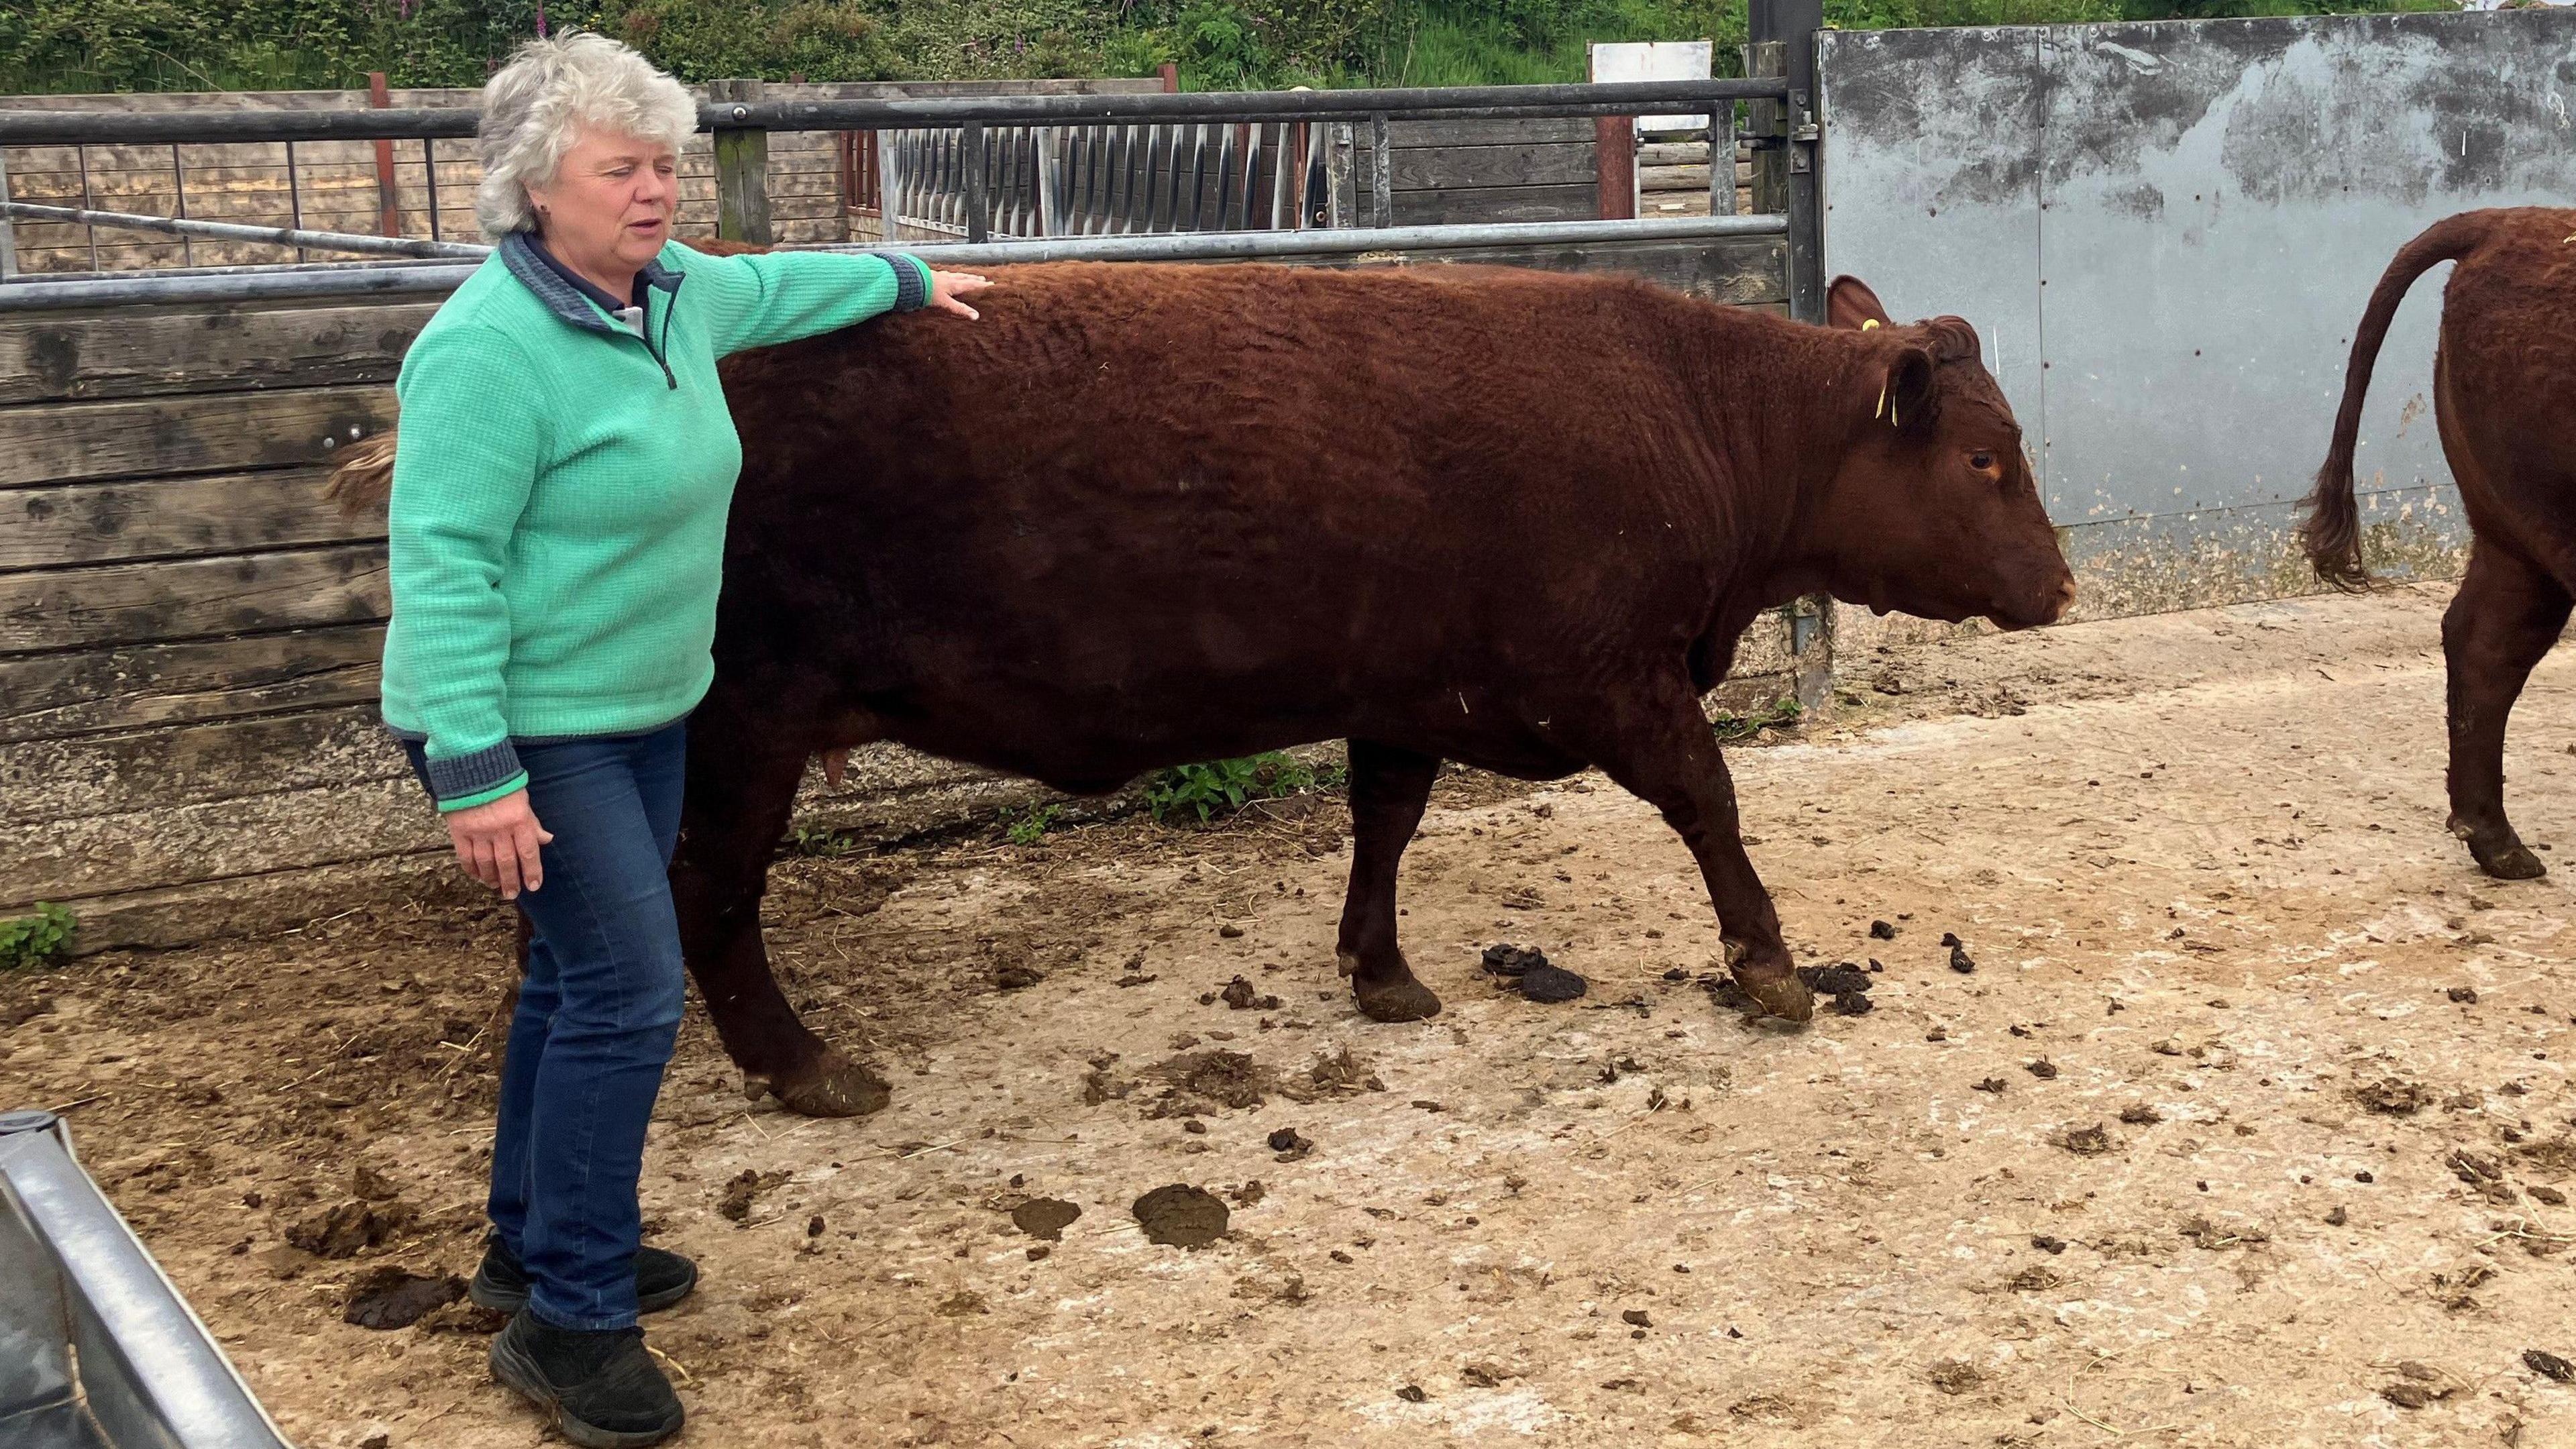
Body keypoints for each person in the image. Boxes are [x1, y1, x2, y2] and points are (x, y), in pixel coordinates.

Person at [379, 32, 989, 1447]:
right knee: (629, 995)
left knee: (568, 990)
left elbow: (777, 284)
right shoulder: (483, 350)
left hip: (644, 709)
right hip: (531, 730)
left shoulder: (668, 297)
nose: (656, 192)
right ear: (537, 187)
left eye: (666, 164)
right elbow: (445, 565)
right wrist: (476, 772)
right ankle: (572, 1326)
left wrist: (907, 277)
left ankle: (527, 1247)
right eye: (621, 169)